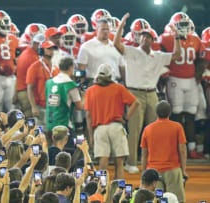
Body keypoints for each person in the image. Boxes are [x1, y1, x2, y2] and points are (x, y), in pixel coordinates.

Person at [113, 13, 181, 173]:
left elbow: (176, 55)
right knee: (134, 129)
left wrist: (177, 38)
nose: (145, 39)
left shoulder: (157, 55)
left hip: (152, 93)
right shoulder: (131, 51)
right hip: (134, 93)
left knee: (155, 129)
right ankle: (131, 162)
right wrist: (121, 26)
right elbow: (117, 44)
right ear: (139, 38)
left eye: (148, 36)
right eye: (143, 36)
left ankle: (154, 161)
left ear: (153, 40)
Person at [160, 12, 208, 159]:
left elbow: (202, 59)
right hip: (175, 79)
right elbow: (160, 55)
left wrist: (199, 74)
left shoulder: (195, 39)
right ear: (173, 26)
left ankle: (192, 148)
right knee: (176, 114)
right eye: (180, 25)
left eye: (186, 25)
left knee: (191, 115)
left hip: (191, 80)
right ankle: (175, 147)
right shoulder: (166, 39)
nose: (184, 28)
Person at [84, 64, 140, 179]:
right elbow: (136, 102)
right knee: (119, 164)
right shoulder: (118, 88)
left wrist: (90, 135)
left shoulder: (90, 91)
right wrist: (126, 117)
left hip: (99, 129)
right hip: (116, 127)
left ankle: (102, 190)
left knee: (102, 164)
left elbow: (88, 116)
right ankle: (119, 192)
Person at [140, 100, 187, 202]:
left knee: (156, 200)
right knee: (175, 200)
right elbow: (182, 150)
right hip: (173, 170)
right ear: (169, 113)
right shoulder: (177, 127)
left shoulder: (148, 129)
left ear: (156, 113)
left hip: (153, 172)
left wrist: (144, 173)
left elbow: (144, 154)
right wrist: (183, 170)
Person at [77, 18, 125, 84]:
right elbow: (81, 69)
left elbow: (122, 68)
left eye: (107, 29)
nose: (106, 31)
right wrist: (81, 85)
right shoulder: (86, 46)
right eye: (103, 29)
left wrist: (126, 84)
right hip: (95, 83)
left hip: (114, 83)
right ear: (97, 30)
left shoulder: (116, 47)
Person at [26, 40, 60, 128]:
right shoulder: (34, 67)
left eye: (53, 49)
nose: (51, 51)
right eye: (49, 49)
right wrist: (33, 106)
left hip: (54, 106)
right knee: (42, 133)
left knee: (54, 132)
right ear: (41, 50)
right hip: (40, 106)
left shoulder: (56, 68)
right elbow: (30, 88)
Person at [45, 56, 82, 131]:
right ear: (71, 67)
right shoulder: (70, 85)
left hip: (50, 123)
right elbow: (79, 107)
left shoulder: (49, 82)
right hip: (64, 125)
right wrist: (84, 96)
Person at [15, 33, 45, 118]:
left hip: (23, 89)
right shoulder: (31, 57)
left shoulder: (28, 53)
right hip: (27, 91)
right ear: (36, 43)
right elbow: (35, 79)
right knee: (31, 118)